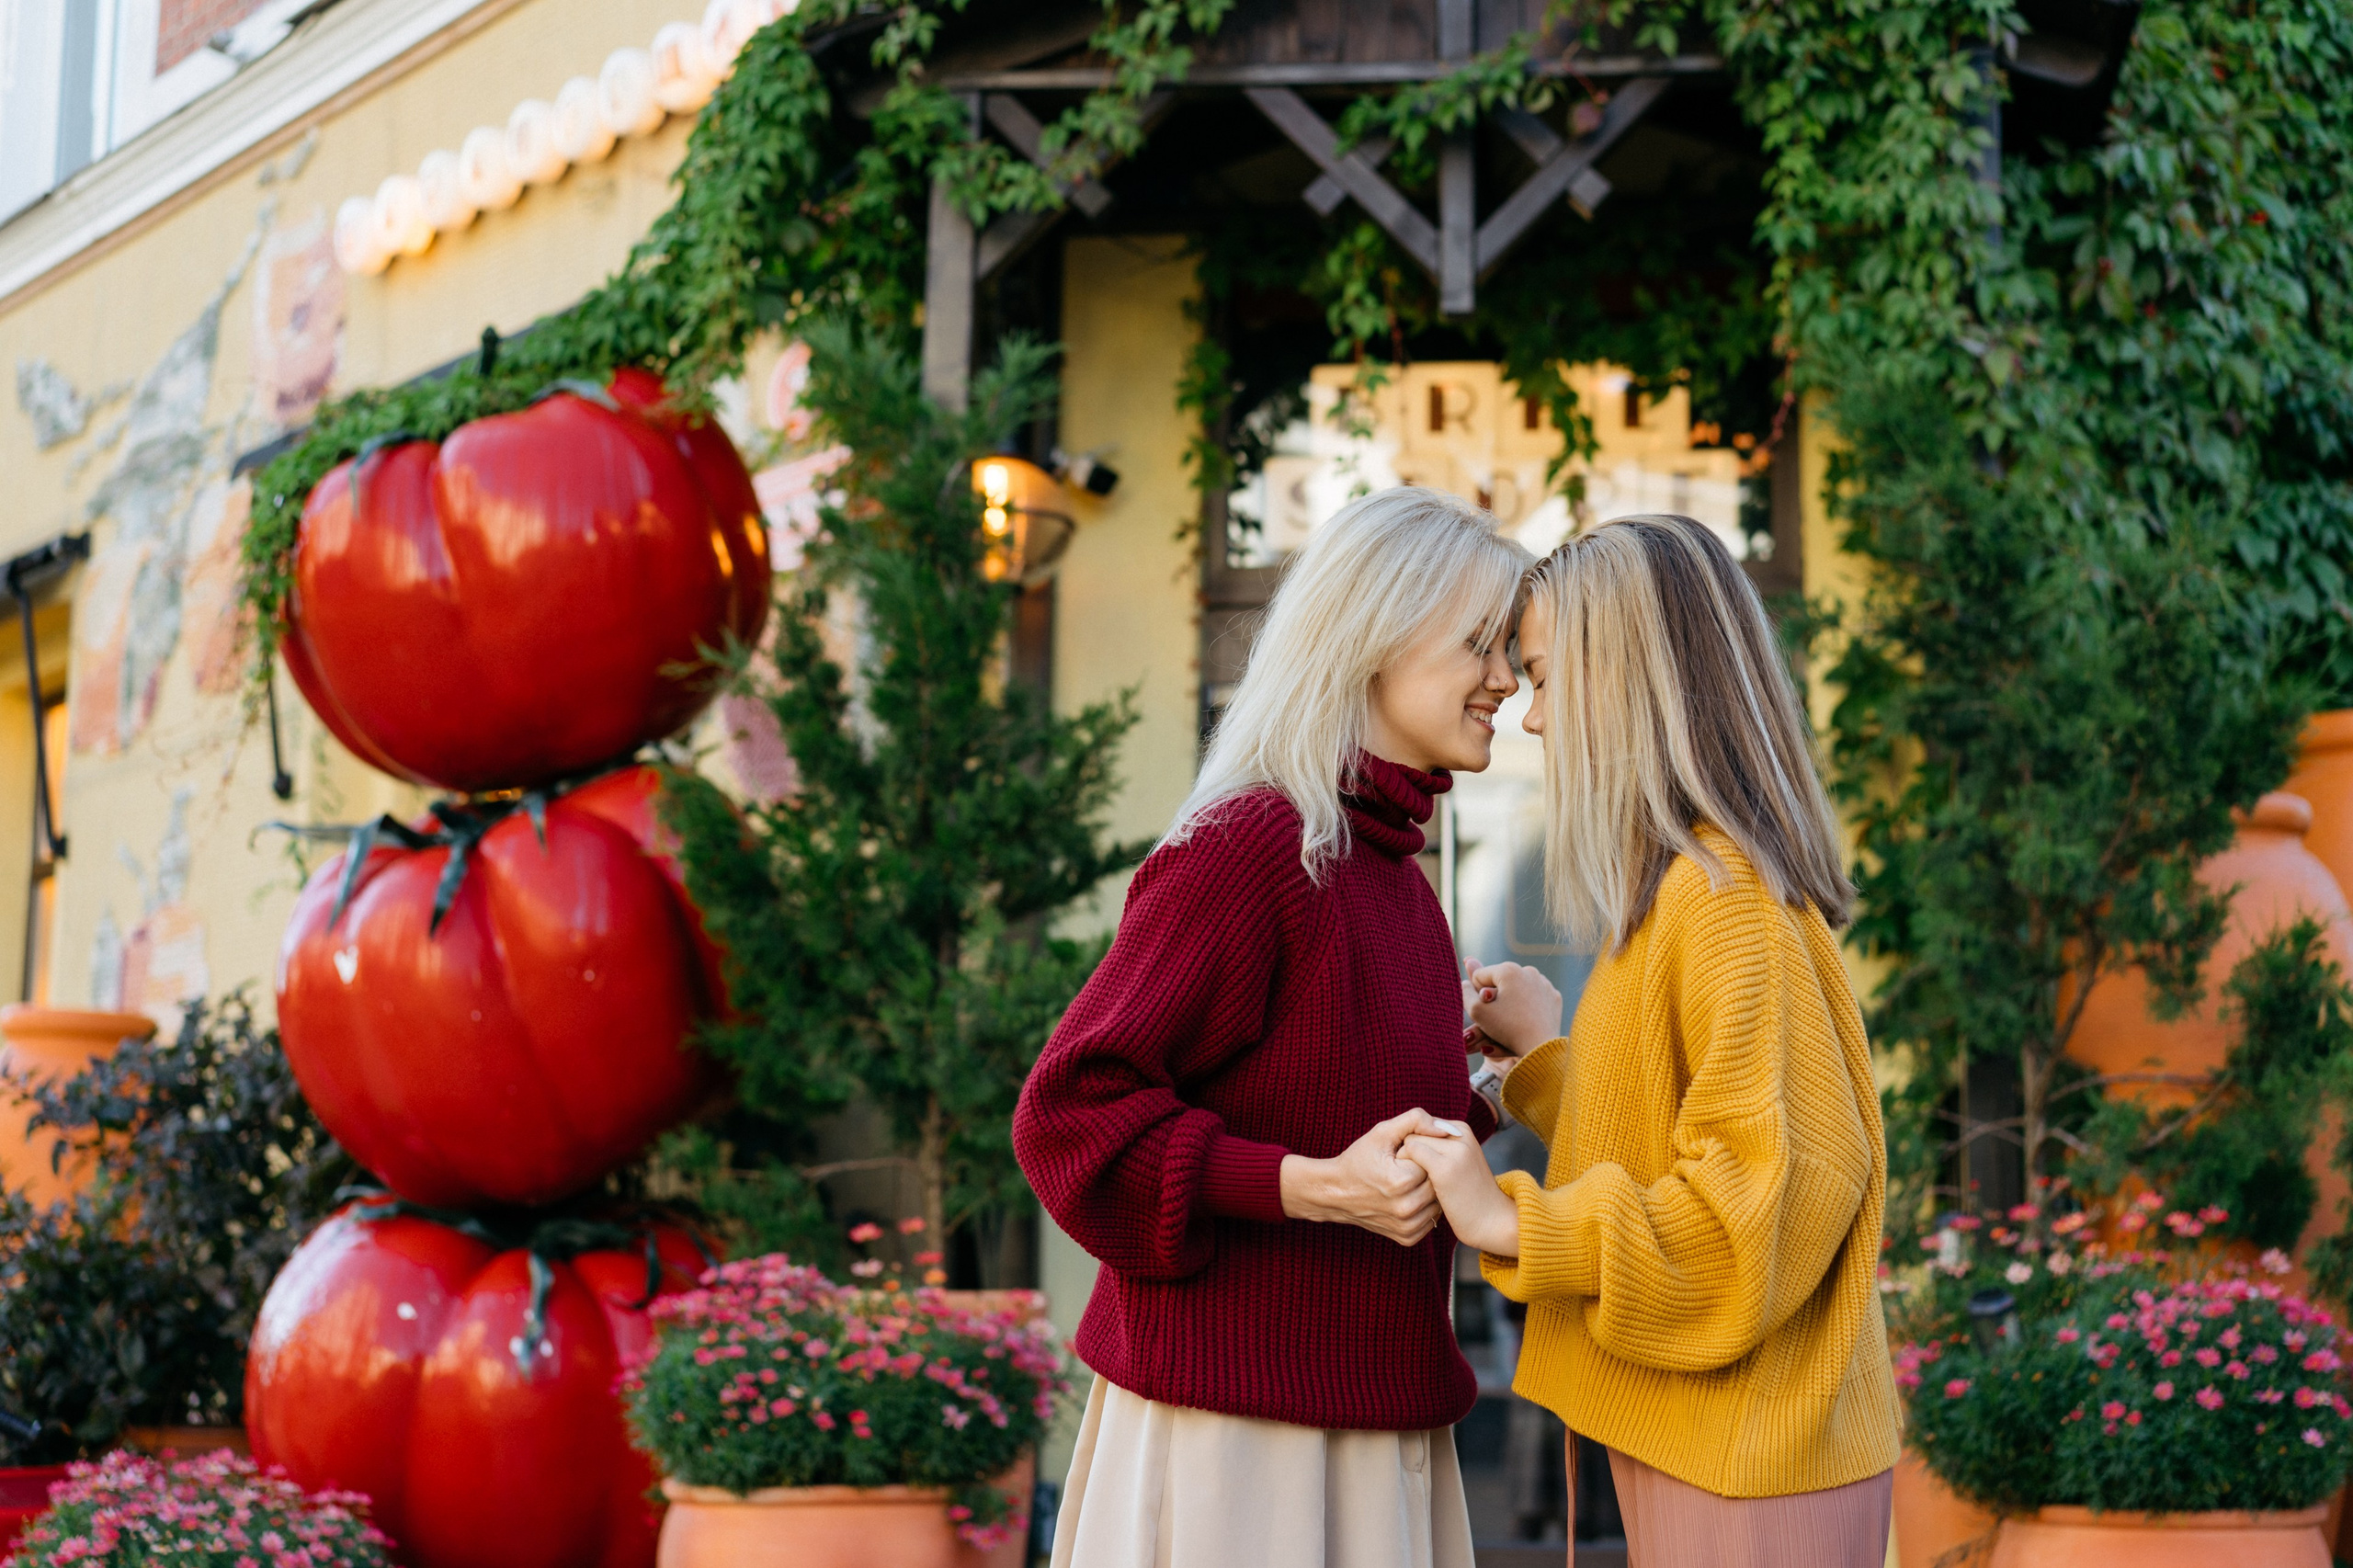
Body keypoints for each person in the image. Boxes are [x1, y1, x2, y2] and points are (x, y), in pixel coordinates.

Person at [1013, 487, 1529, 1568]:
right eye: (1480, 643)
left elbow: (1371, 1151)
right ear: (1373, 637)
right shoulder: (1255, 843)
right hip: (1238, 1440)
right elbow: (1072, 1113)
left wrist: (1491, 1085)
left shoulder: (1391, 873)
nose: (1507, 677)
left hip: (1372, 1414)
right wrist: (1308, 1184)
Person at [1404, 514, 1902, 1568]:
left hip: (1753, 1451)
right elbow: (1699, 1132)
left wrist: (1512, 1220)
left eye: (1542, 677)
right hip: (1723, 1437)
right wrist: (1545, 1062)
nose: (1532, 720)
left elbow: (1759, 1205)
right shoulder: (1692, 887)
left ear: (1624, 679)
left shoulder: (1721, 899)